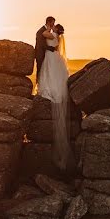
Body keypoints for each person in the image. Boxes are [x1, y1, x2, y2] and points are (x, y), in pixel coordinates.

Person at [36, 23, 71, 171]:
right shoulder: (57, 36)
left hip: (51, 57)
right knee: (54, 76)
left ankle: (50, 91)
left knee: (50, 76)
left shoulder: (52, 35)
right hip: (53, 57)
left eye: (55, 26)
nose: (53, 27)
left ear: (57, 30)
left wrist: (48, 27)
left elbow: (44, 34)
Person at [34, 16, 58, 84]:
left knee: (45, 71)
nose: (54, 24)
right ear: (49, 22)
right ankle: (38, 87)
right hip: (40, 54)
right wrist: (52, 48)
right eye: (53, 22)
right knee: (40, 71)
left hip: (46, 54)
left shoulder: (47, 31)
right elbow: (42, 44)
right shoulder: (41, 31)